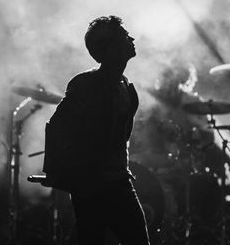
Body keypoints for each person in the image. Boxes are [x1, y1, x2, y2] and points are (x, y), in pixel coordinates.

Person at [43, 16, 150, 245]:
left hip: (119, 182)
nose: (131, 38)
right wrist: (63, 174)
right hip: (91, 185)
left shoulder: (127, 88)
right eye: (123, 35)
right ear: (110, 48)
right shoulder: (85, 85)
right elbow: (57, 127)